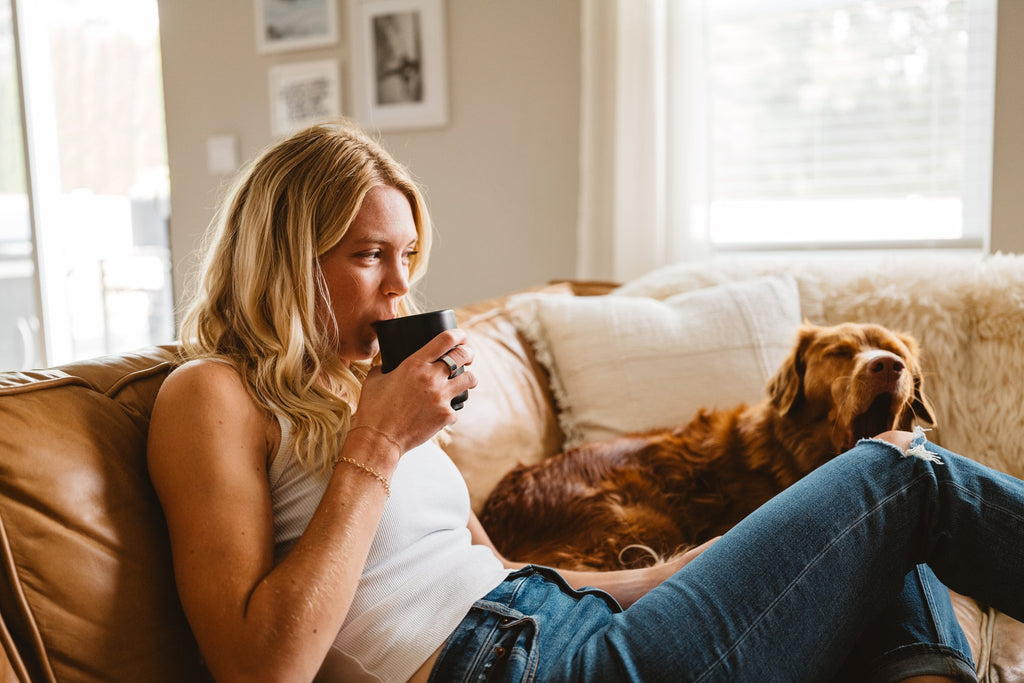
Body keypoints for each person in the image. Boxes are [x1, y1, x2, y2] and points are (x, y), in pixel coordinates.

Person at [147, 119, 1024, 683]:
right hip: (519, 666)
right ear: (287, 253)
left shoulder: (364, 388)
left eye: (408, 257)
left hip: (566, 627)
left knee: (878, 550)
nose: (400, 290)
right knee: (902, 477)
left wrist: (658, 575)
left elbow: (494, 574)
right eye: (369, 256)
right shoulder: (213, 393)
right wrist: (375, 446)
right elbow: (261, 667)